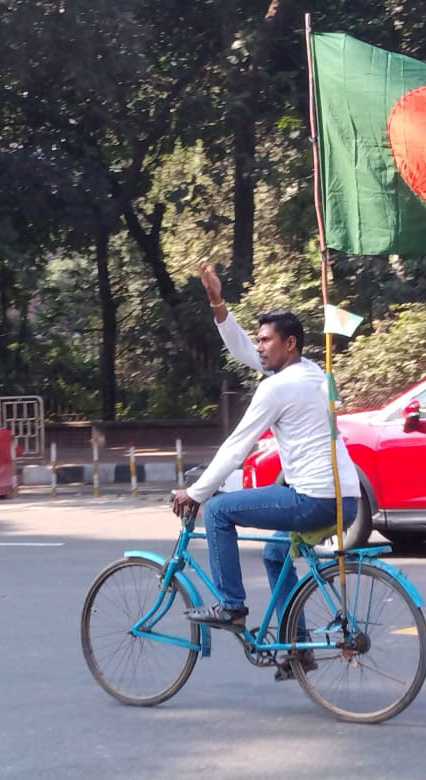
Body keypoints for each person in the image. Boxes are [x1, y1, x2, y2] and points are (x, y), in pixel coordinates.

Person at [171, 262, 360, 677]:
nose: (258, 348)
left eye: (266, 341)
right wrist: (217, 302)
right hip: (345, 497)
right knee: (276, 553)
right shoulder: (313, 373)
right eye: (258, 340)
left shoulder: (277, 387)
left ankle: (232, 606)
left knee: (218, 511)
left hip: (312, 498)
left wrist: (197, 492)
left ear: (289, 344)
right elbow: (241, 348)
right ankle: (297, 648)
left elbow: (236, 447)